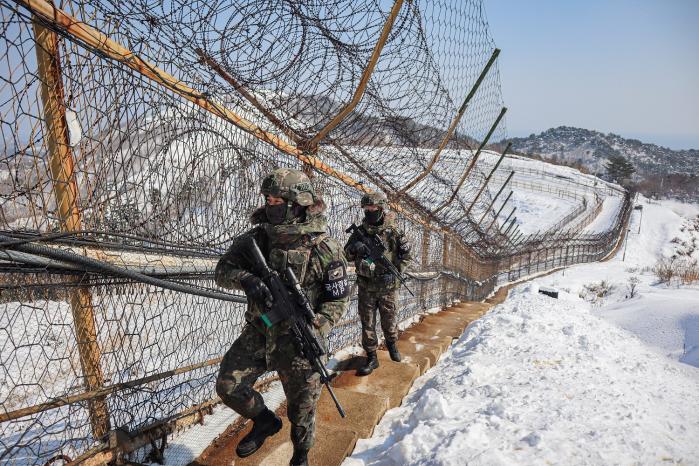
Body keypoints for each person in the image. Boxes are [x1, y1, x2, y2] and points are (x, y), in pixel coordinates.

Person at [214, 168, 349, 466]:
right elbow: (222, 271)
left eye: (278, 200)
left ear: (297, 203)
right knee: (228, 385)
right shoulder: (256, 239)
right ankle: (264, 421)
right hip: (261, 330)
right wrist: (246, 279)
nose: (270, 205)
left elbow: (338, 299)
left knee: (301, 410)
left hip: (300, 341)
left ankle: (301, 455)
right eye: (268, 199)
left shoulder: (325, 247)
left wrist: (318, 326)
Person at [344, 192, 412, 376]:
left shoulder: (394, 232)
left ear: (381, 208)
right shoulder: (360, 232)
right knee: (367, 323)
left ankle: (391, 343)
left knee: (389, 319)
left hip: (388, 288)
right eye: (367, 208)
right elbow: (346, 255)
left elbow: (407, 257)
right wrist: (355, 248)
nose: (370, 211)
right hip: (366, 286)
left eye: (373, 208)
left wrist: (397, 273)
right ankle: (372, 357)